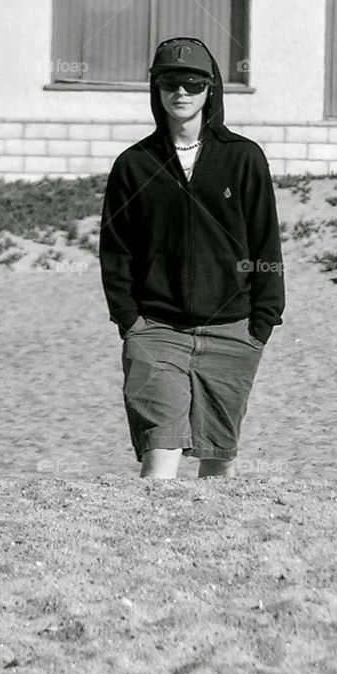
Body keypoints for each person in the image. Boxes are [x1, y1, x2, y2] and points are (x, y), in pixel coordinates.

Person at [99, 36, 285, 479]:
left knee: (217, 460)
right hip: (157, 332)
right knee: (159, 455)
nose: (180, 92)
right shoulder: (134, 164)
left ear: (210, 89)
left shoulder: (243, 158)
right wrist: (129, 320)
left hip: (233, 331)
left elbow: (266, 243)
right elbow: (115, 250)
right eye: (168, 82)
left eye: (193, 83)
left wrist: (263, 322)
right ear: (155, 90)